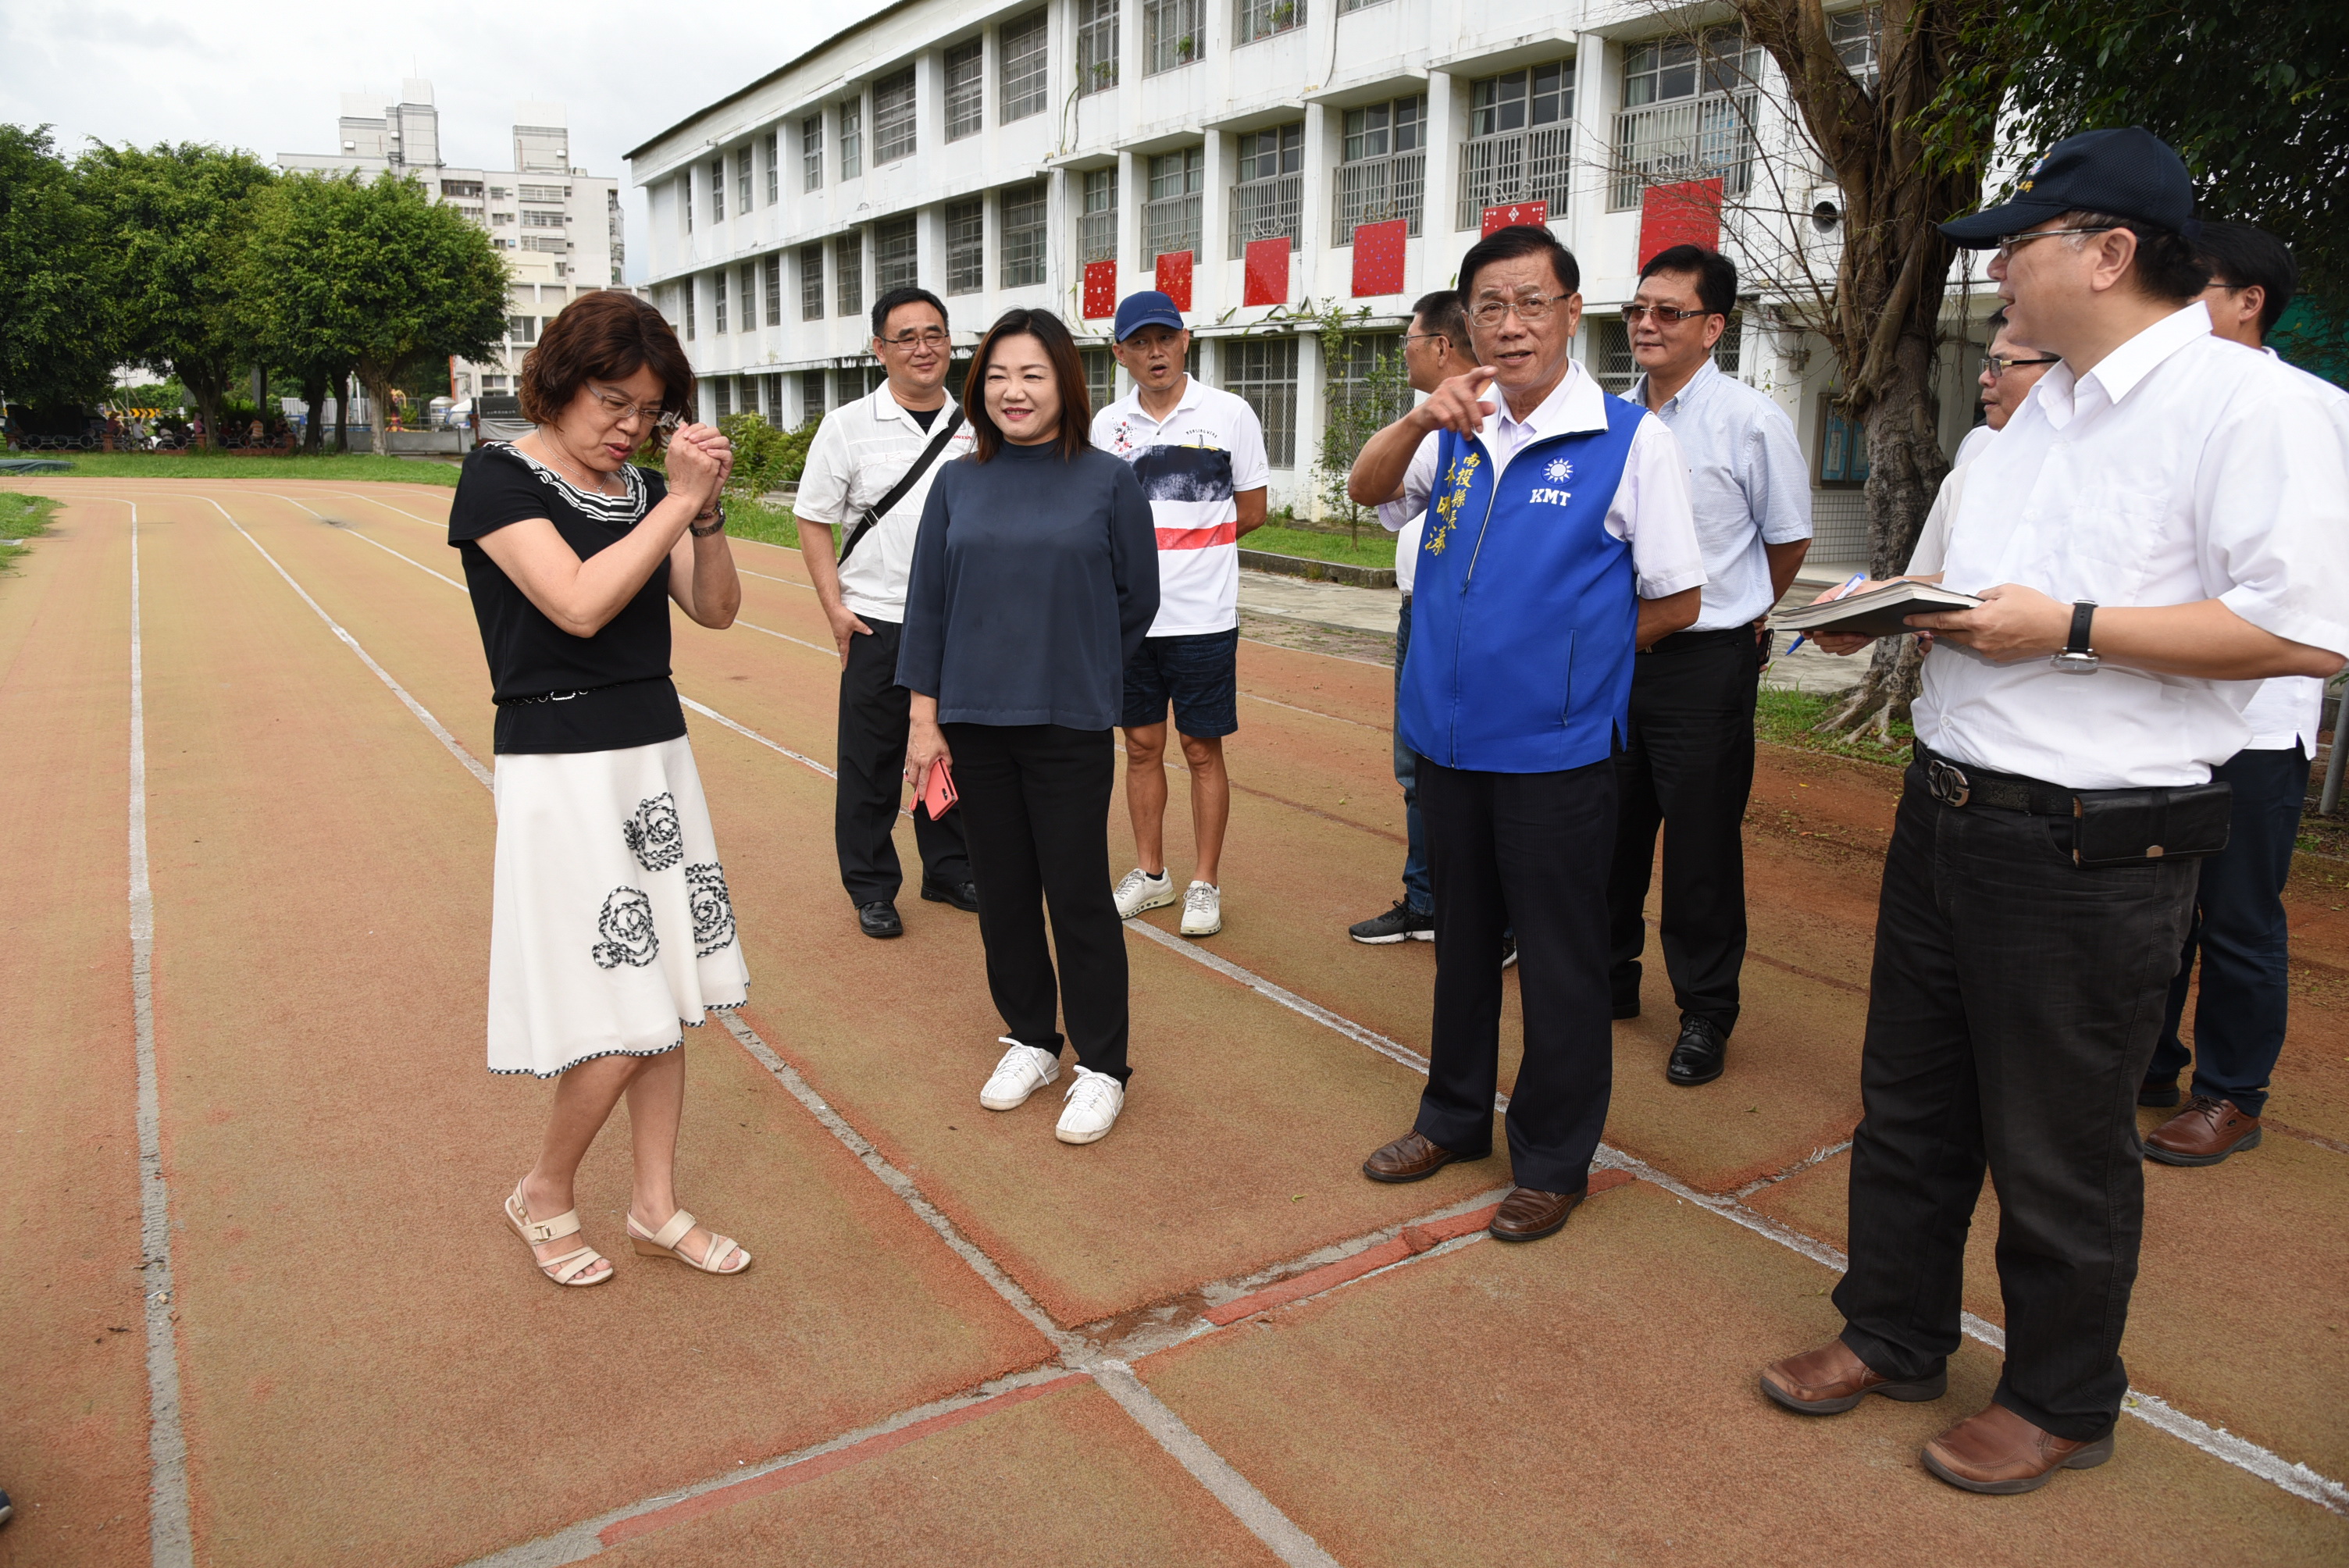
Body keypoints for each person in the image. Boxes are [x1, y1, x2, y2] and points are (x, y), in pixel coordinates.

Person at [1758, 127, 2349, 1494]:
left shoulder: (2239, 406)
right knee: (1908, 1102)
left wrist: (2069, 626)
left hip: (2093, 839)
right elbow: (1965, 594)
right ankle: (1890, 1329)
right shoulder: (2028, 424)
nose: (1999, 276)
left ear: (2107, 252)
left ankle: (2059, 1392)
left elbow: (2300, 631)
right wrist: (1881, 618)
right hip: (1949, 804)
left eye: (2017, 247)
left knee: (2057, 1136)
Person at [1345, 224, 1704, 1242]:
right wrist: (1421, 415)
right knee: (1460, 950)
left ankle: (1551, 1157)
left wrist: (1573, 658)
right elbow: (1369, 493)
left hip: (1556, 755)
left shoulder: (1633, 442)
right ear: (1469, 324)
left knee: (1558, 961)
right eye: (1490, 308)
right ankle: (1453, 1119)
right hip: (1449, 748)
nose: (1511, 326)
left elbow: (1677, 600)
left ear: (1569, 313)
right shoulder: (1456, 428)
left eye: (1531, 303)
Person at [447, 290, 754, 1285]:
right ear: (560, 383)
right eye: (613, 403)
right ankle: (542, 1189)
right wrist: (672, 498)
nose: (629, 427)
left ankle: (654, 1205)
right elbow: (577, 606)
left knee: (664, 993)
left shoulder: (635, 493)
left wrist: (702, 516)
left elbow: (714, 612)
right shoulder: (498, 483)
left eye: (647, 410)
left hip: (651, 754)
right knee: (622, 1007)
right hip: (561, 763)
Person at [900, 308, 1160, 1145]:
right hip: (974, 721)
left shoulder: (1107, 478)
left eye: (1034, 375)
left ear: (1065, 385)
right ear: (981, 389)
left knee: (1077, 893)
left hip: (1068, 721)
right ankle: (1031, 1039)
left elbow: (1137, 598)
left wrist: (1074, 662)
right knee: (1003, 894)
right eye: (1001, 376)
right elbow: (928, 606)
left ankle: (1102, 1065)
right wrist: (923, 717)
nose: (1015, 391)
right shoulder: (957, 481)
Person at [2140, 221, 2347, 1164]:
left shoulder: (2303, 408)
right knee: (2150, 896)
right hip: (2156, 707)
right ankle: (2149, 1057)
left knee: (2234, 911)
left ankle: (2230, 1092)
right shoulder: (2160, 411)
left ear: (2244, 301)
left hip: (2255, 720)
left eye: (2192, 292)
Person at [1606, 245, 1812, 1086]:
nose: (1646, 324)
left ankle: (1705, 1011)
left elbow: (1787, 538)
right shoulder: (1614, 417)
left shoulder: (1749, 420)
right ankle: (1607, 977)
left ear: (1713, 327)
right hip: (1618, 660)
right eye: (1638, 309)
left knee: (1697, 848)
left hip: (1704, 666)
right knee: (1606, 833)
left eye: (1668, 312)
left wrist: (1740, 609)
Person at [795, 286, 980, 939]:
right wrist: (834, 608)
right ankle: (872, 885)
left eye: (934, 334)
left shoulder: (979, 424)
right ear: (880, 349)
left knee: (954, 749)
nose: (923, 348)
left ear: (950, 342)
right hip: (876, 616)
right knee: (871, 757)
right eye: (906, 337)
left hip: (960, 623)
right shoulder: (846, 426)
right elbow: (814, 518)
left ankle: (949, 867)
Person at [1091, 291, 1269, 939]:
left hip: (1203, 617)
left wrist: (1191, 554)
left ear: (1186, 340)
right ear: (1120, 353)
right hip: (1129, 623)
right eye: (1139, 342)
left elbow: (1251, 508)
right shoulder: (1105, 426)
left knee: (1200, 749)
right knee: (1139, 748)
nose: (1154, 352)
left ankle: (1204, 882)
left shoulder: (1228, 414)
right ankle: (1151, 874)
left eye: (1164, 338)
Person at [1349, 289, 1480, 946]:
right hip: (1420, 616)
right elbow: (1371, 490)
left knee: (1480, 773)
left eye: (1408, 339)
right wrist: (1416, 424)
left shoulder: (1497, 420)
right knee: (1417, 768)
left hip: (1478, 625)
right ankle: (1428, 900)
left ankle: (1487, 915)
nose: (1404, 351)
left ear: (1440, 345)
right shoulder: (1430, 426)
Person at [1906, 308, 2058, 576]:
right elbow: (1933, 582)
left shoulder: (2107, 477)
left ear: (2064, 372)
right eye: (1988, 364)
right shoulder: (1968, 477)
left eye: (2001, 364)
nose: (1985, 378)